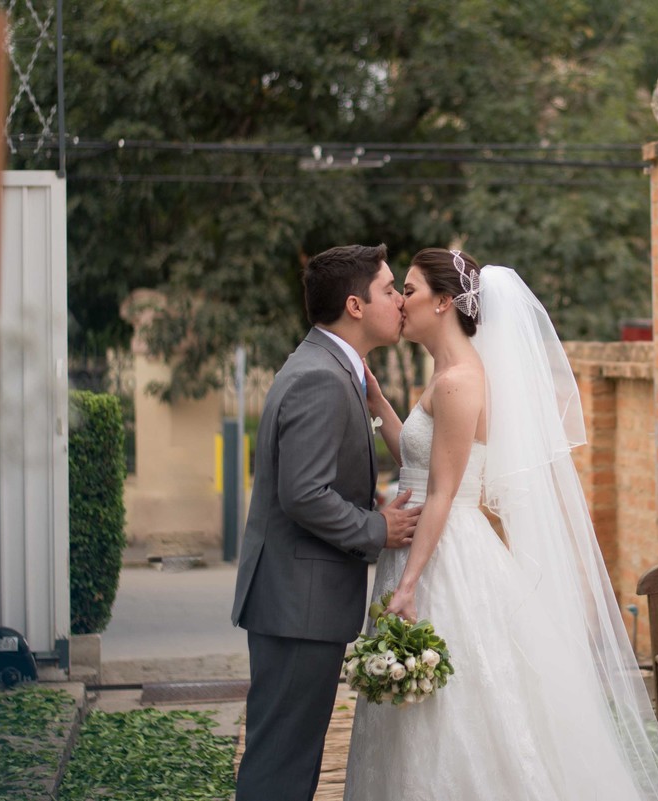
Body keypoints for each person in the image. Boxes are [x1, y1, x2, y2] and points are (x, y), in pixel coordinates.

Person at [345, 249, 658, 801]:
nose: (400, 301)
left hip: (443, 555)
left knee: (458, 706)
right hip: (428, 543)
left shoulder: (458, 380)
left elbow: (446, 494)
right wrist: (379, 401)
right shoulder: (449, 372)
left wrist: (408, 586)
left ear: (445, 301)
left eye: (409, 289)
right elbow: (420, 458)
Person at [232, 244, 421, 801]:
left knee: (289, 758)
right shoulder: (321, 376)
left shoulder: (334, 367)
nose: (398, 302)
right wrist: (376, 530)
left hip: (299, 602)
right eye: (389, 291)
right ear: (355, 305)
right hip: (297, 605)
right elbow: (305, 493)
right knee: (282, 765)